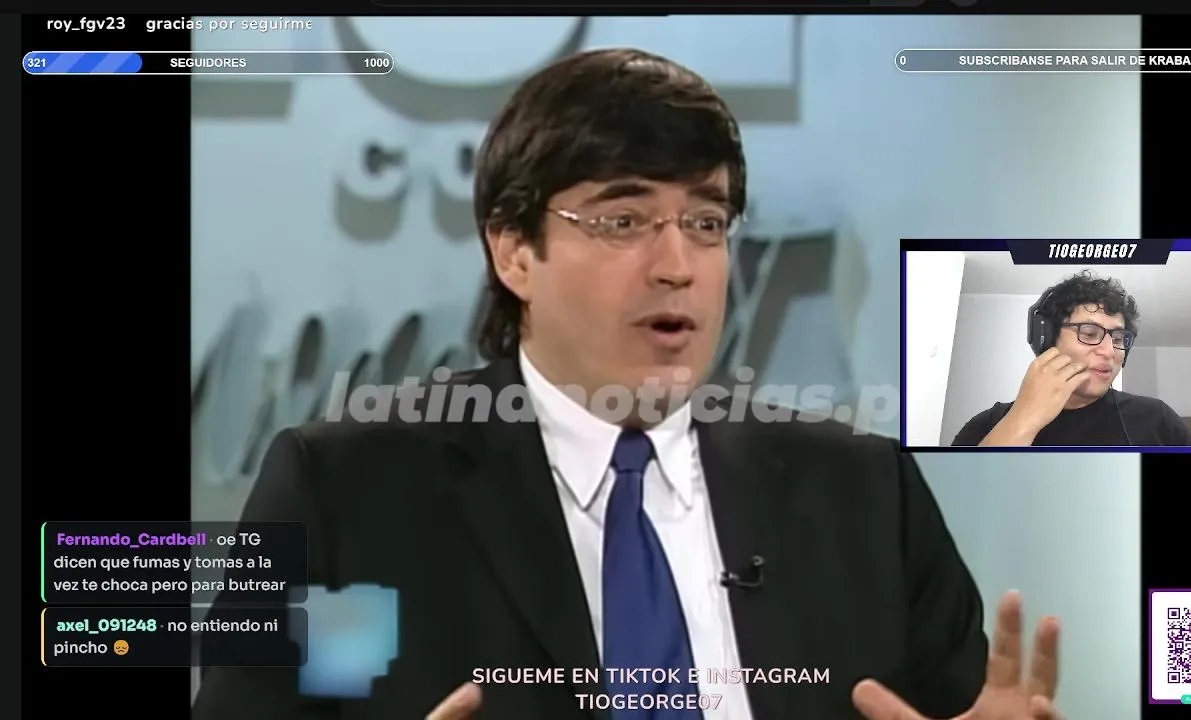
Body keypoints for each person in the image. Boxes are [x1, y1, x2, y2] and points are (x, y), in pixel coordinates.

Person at [193, 49, 1063, 720]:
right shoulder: (351, 499)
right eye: (623, 219)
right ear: (513, 250)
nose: (677, 263)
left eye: (706, 221)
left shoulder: (864, 496)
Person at [951, 271, 1191, 447]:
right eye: (1089, 333)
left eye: (1118, 338)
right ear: (1047, 340)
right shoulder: (988, 424)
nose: (1109, 351)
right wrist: (1023, 420)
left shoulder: (1156, 418)